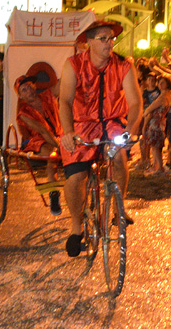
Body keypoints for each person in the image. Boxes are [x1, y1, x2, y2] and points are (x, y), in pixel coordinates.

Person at [59, 19, 141, 257]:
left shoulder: (124, 65)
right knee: (75, 177)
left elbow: (135, 102)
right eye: (103, 39)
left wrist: (131, 129)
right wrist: (67, 131)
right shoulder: (73, 64)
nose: (109, 43)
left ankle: (118, 208)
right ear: (89, 43)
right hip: (81, 125)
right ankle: (76, 226)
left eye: (111, 38)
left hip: (112, 123)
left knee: (119, 156)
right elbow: (64, 100)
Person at [15, 75, 63, 215]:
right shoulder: (23, 113)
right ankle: (54, 194)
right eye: (24, 89)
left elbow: (62, 84)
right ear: (20, 96)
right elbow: (43, 130)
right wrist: (59, 146)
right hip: (39, 140)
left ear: (35, 86)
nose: (28, 90)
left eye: (30, 86)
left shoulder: (48, 95)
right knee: (52, 155)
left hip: (60, 134)